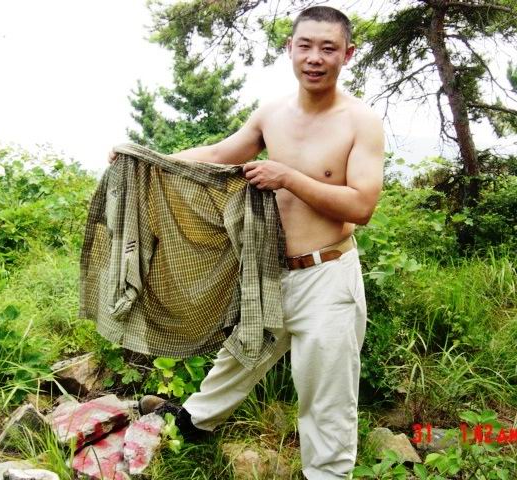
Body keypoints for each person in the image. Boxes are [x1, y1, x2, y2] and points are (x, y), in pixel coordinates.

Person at [109, 6, 384, 479]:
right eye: (305, 45)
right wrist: (146, 159)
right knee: (240, 354)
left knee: (327, 392)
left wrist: (288, 177)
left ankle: (328, 474)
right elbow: (219, 154)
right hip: (270, 271)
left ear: (348, 54)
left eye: (328, 48)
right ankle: (193, 425)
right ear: (290, 49)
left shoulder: (360, 122)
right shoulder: (272, 113)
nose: (315, 58)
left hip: (327, 277)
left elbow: (361, 205)